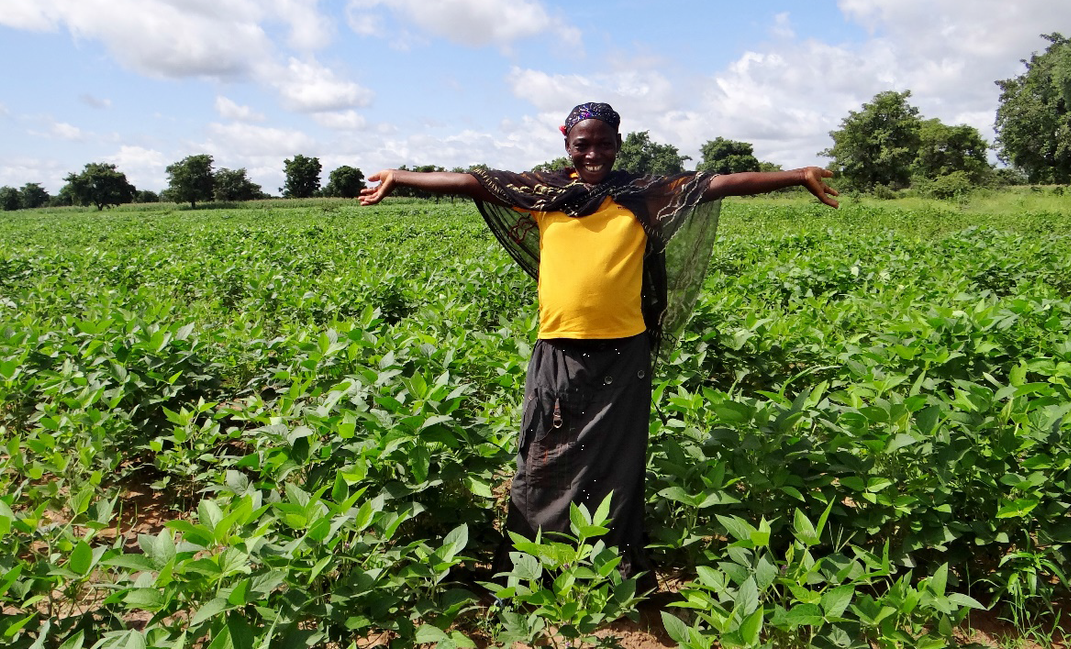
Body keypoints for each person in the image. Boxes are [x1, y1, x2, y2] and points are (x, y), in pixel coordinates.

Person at [358, 102, 838, 591]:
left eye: (603, 143)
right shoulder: (544, 193)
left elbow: (720, 183)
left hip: (623, 353)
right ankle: (529, 567)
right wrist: (400, 176)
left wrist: (797, 175)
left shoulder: (642, 194)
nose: (593, 153)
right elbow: (472, 182)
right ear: (567, 144)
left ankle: (614, 569)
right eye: (582, 144)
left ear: (618, 144)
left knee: (618, 461)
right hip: (559, 349)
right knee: (542, 454)